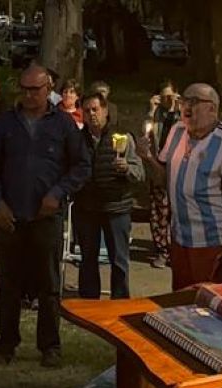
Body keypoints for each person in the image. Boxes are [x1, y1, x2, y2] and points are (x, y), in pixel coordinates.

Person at [0, 64, 91, 367]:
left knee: (49, 285)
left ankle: (50, 345)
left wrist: (58, 193)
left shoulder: (63, 124)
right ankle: (6, 343)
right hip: (11, 216)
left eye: (35, 90)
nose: (29, 95)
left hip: (46, 216)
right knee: (8, 284)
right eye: (25, 89)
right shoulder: (7, 123)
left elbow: (82, 165)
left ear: (48, 89)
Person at [137, 83, 222, 291]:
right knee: (182, 299)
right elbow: (162, 179)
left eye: (194, 102)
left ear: (212, 109)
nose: (186, 107)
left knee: (211, 303)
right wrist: (148, 158)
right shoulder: (176, 131)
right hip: (180, 240)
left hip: (213, 243)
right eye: (184, 101)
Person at [73, 93, 144, 299]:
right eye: (87, 111)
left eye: (95, 109)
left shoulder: (122, 137)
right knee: (87, 259)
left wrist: (126, 169)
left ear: (105, 110)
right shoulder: (77, 140)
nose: (92, 114)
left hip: (117, 207)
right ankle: (89, 303)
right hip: (87, 208)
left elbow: (139, 173)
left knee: (119, 260)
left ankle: (119, 302)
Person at [145, 80, 179, 269]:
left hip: (177, 169)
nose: (167, 100)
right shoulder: (155, 115)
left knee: (175, 213)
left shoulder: (181, 113)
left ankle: (175, 251)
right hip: (158, 165)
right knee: (158, 212)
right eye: (163, 96)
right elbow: (146, 133)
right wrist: (151, 110)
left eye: (170, 96)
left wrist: (178, 108)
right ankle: (161, 250)